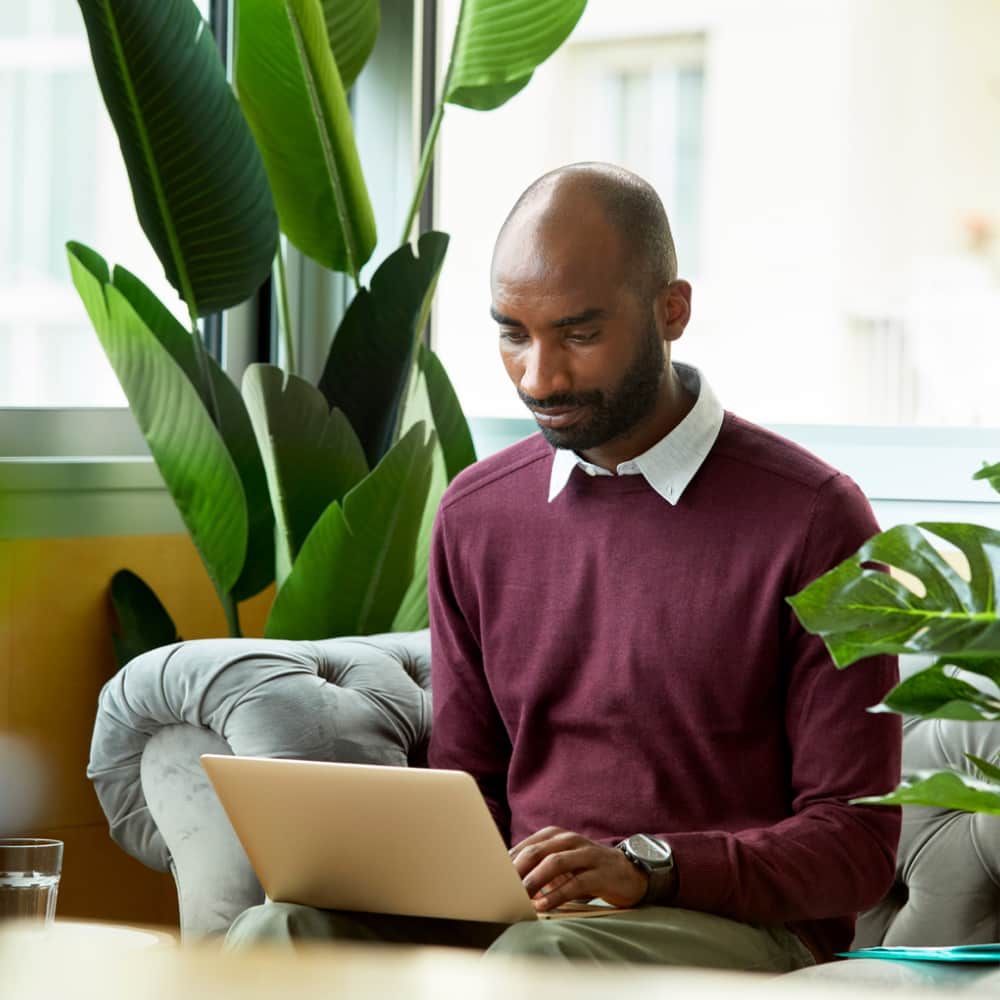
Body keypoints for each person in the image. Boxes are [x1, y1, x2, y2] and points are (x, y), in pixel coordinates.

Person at [226, 163, 902, 970]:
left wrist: (650, 868)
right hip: (526, 916)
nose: (539, 378)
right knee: (276, 934)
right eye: (513, 332)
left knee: (535, 961)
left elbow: (857, 843)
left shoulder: (815, 518)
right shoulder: (477, 515)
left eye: (579, 335)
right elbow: (468, 788)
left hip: (734, 925)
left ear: (671, 311)